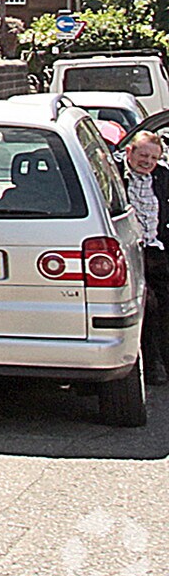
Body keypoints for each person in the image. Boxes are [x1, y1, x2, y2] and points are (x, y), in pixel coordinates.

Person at [122, 129, 169, 386]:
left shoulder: (162, 177)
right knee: (148, 306)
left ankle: (163, 360)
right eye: (143, 155)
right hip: (128, 252)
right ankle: (150, 365)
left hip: (155, 249)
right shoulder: (116, 176)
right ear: (130, 152)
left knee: (164, 305)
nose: (147, 162)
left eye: (153, 157)